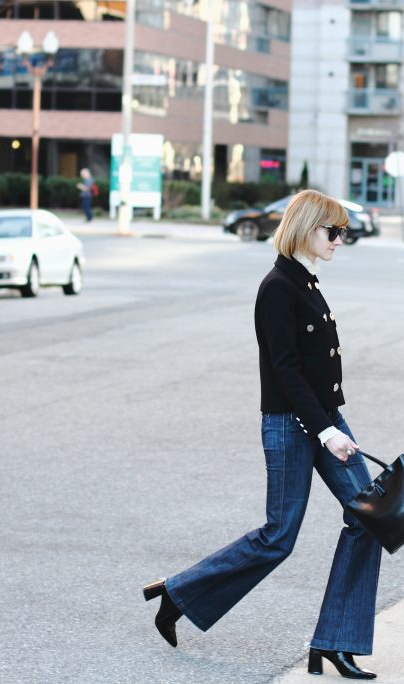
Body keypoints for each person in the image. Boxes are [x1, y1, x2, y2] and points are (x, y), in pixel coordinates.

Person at [143, 189, 383, 680]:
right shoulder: (278, 287)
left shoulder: (308, 283)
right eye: (332, 231)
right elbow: (285, 369)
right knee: (279, 537)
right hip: (294, 426)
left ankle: (335, 642)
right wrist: (325, 431)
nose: (341, 239)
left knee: (371, 518)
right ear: (305, 228)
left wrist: (332, 424)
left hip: (324, 420)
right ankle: (179, 594)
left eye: (342, 231)